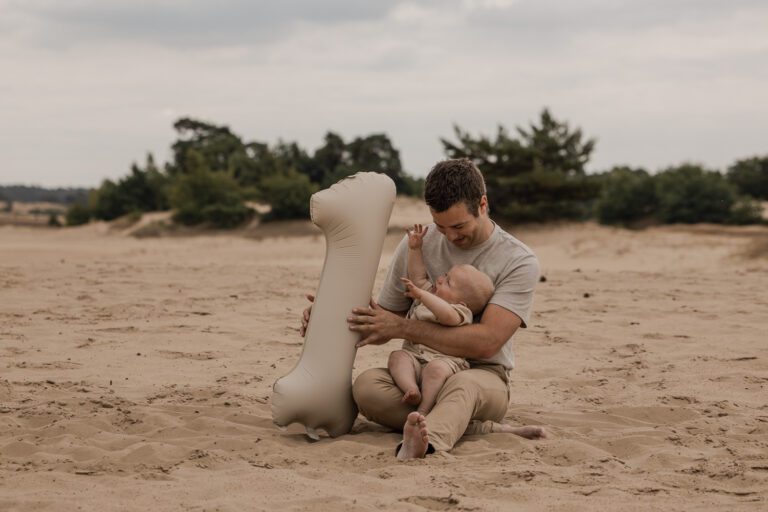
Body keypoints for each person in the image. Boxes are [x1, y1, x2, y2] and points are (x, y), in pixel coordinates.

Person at [301, 158, 545, 459]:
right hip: (417, 371)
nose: (450, 236)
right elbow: (383, 322)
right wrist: (329, 317)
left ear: (482, 204)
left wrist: (404, 327)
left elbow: (486, 344)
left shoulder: (518, 260)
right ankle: (473, 426)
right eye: (441, 226)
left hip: (481, 376)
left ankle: (425, 443)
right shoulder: (419, 242)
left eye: (458, 226)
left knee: (463, 388)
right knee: (367, 387)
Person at [388, 222, 494, 416]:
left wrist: (421, 296)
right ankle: (411, 389)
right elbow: (418, 276)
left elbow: (445, 315)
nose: (439, 279)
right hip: (415, 358)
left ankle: (425, 407)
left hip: (444, 362)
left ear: (462, 301)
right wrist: (415, 249)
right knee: (397, 357)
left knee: (435, 370)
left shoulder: (459, 312)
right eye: (445, 275)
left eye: (447, 282)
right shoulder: (432, 293)